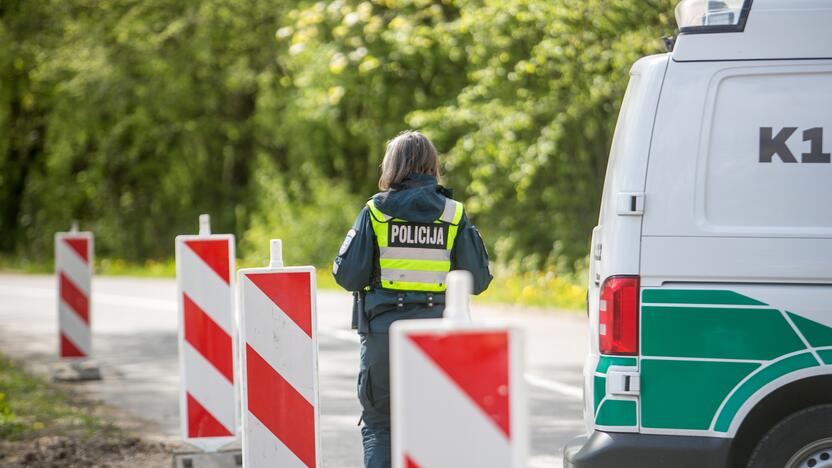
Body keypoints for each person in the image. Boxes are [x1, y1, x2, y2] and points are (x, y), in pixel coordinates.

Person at [332, 130, 493, 468]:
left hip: (383, 338)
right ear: (432, 166)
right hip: (437, 339)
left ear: (392, 166)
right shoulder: (453, 214)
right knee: (434, 428)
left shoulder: (375, 212)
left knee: (380, 426)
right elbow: (477, 280)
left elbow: (348, 276)